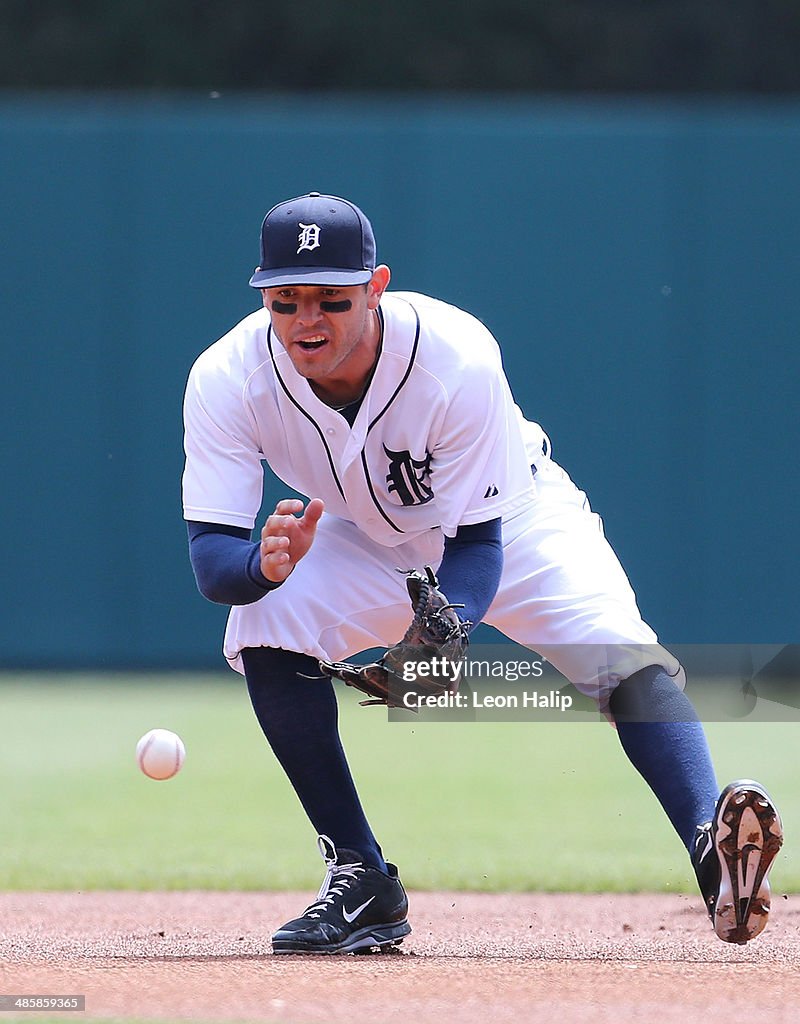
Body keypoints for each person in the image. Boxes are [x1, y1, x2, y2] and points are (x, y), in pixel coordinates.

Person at [182, 192, 783, 954]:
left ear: (377, 286)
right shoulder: (227, 377)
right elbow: (213, 562)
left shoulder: (453, 355)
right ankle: (360, 879)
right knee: (266, 624)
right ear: (264, 294)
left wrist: (446, 629)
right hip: (357, 532)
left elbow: (476, 545)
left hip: (514, 519)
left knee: (620, 654)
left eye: (333, 298)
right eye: (286, 300)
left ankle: (710, 845)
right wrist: (259, 568)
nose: (309, 320)